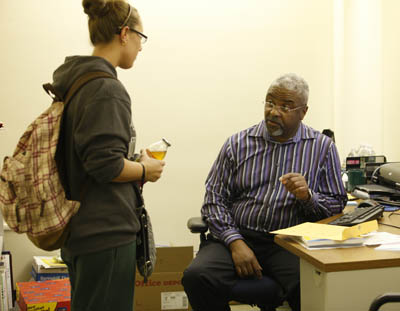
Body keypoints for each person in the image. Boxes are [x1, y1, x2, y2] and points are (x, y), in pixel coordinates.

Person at [182, 73, 347, 311]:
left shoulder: (322, 148)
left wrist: (308, 197)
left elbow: (336, 205)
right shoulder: (237, 143)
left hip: (289, 242)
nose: (274, 111)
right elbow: (214, 200)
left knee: (315, 286)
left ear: (303, 112)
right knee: (196, 277)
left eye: (285, 106)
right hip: (237, 234)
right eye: (270, 102)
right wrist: (235, 241)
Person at [51, 1, 165, 310]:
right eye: (141, 37)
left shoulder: (76, 82)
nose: (141, 47)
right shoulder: (106, 89)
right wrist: (145, 171)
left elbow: (91, 158)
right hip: (106, 233)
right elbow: (105, 165)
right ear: (125, 33)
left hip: (81, 231)